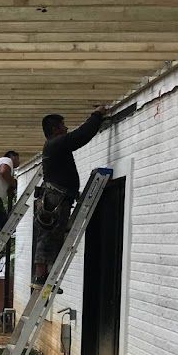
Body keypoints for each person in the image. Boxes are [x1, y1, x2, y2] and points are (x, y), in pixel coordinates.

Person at [33, 108, 108, 285]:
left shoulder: (54, 145)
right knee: (49, 235)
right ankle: (42, 276)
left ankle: (43, 275)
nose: (66, 128)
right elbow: (81, 136)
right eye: (63, 126)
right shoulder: (55, 143)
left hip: (56, 196)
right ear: (55, 129)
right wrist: (96, 116)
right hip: (55, 198)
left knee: (51, 234)